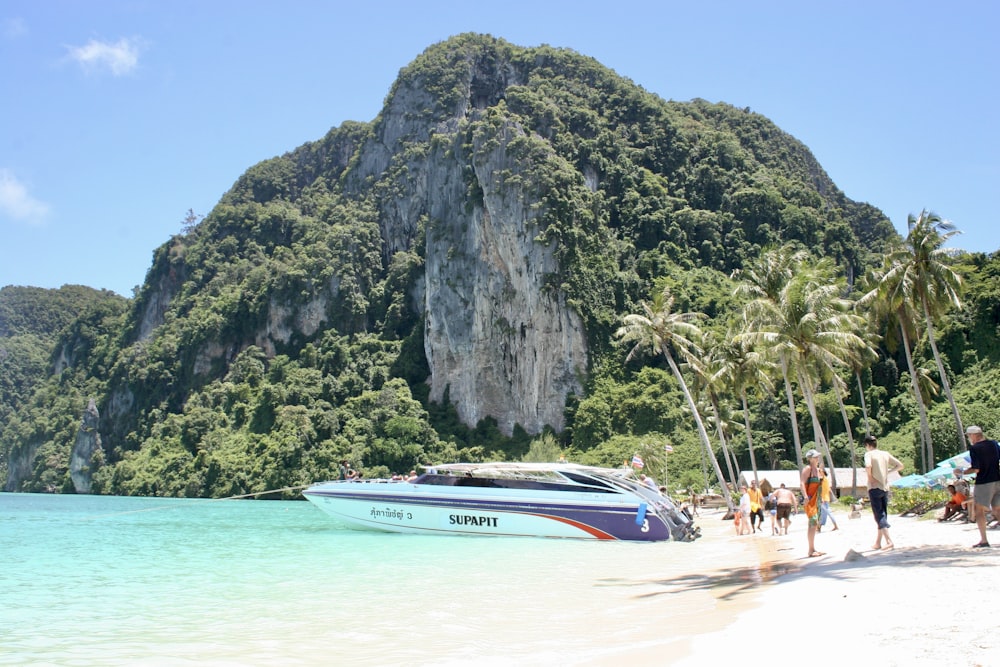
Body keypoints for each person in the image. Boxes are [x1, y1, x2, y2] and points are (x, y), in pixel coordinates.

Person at [958, 425, 1000, 548]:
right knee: (997, 509)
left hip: (983, 482)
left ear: (974, 435)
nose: (969, 438)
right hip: (997, 480)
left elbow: (976, 469)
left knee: (979, 511)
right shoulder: (993, 444)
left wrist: (961, 472)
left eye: (969, 435)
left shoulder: (975, 448)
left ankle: (984, 540)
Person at [863, 435, 903, 550]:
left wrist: (871, 479)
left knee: (879, 515)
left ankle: (889, 541)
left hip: (874, 487)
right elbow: (900, 465)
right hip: (885, 487)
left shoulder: (868, 454)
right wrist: (888, 472)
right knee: (883, 514)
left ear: (867, 445)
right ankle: (877, 543)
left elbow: (868, 466)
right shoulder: (885, 454)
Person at [800, 449, 826, 557]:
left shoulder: (819, 470)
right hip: (810, 500)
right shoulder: (808, 469)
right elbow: (802, 483)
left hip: (817, 500)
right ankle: (810, 550)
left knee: (815, 524)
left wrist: (822, 497)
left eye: (817, 456)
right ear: (810, 459)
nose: (817, 458)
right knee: (812, 522)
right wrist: (805, 496)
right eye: (815, 457)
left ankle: (813, 548)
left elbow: (821, 485)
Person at [818, 468, 839, 532]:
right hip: (825, 498)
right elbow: (828, 489)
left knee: (827, 512)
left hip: (823, 498)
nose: (819, 472)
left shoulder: (822, 479)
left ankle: (835, 526)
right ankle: (819, 527)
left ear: (823, 472)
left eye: (820, 471)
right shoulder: (826, 479)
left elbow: (820, 489)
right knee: (824, 513)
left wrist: (821, 497)